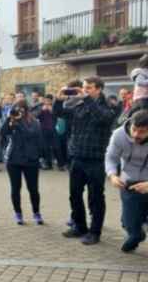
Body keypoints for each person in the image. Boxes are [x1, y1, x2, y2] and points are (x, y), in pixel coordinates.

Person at [55, 76, 117, 245]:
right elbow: (59, 113)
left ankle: (95, 232)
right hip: (77, 157)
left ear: (99, 89)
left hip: (96, 159)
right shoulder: (79, 104)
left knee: (96, 197)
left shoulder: (109, 106)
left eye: (89, 87)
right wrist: (58, 100)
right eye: (84, 87)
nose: (85, 90)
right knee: (74, 195)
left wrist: (87, 99)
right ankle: (79, 226)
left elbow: (103, 118)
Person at [105, 110, 148, 253]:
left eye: (142, 132)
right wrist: (112, 175)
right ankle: (137, 234)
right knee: (127, 222)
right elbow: (111, 158)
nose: (136, 135)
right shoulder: (119, 135)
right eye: (134, 129)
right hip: (128, 182)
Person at [1, 100, 44, 225]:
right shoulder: (12, 121)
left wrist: (18, 122)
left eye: (21, 109)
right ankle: (18, 213)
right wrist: (9, 119)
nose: (19, 111)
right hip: (14, 160)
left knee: (33, 189)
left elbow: (29, 134)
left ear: (26, 109)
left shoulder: (34, 122)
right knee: (15, 188)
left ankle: (36, 212)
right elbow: (3, 133)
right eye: (16, 108)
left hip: (31, 160)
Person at [38, 94, 58, 170]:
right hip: (43, 129)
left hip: (53, 129)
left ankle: (61, 164)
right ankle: (49, 164)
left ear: (51, 101)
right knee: (46, 148)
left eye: (49, 100)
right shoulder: (41, 107)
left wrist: (51, 110)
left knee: (56, 147)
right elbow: (37, 116)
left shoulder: (55, 107)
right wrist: (42, 110)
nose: (47, 102)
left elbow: (58, 116)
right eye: (46, 100)